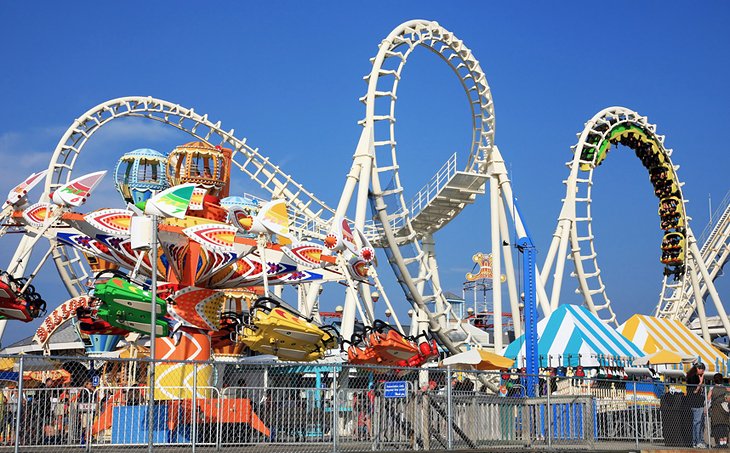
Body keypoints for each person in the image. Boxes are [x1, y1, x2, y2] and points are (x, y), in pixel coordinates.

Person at [687, 363, 707, 448]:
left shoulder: (690, 376)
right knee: (697, 423)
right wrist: (701, 382)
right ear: (698, 369)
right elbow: (694, 391)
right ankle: (697, 441)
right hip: (696, 403)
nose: (702, 372)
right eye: (702, 370)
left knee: (697, 423)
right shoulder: (694, 377)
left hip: (694, 402)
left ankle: (696, 441)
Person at [710, 373, 730, 448]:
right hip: (724, 410)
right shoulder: (725, 388)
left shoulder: (713, 389)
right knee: (725, 426)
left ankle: (720, 443)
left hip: (716, 410)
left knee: (718, 426)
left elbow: (708, 398)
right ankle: (725, 443)